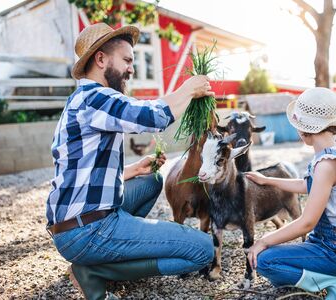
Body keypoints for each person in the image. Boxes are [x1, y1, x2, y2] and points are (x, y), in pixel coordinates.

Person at [45, 23, 214, 300]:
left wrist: (133, 169)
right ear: (101, 59)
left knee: (151, 180)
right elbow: (152, 116)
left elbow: (80, 173)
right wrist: (188, 89)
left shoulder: (80, 100)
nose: (132, 69)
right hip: (88, 230)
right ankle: (96, 272)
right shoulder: (94, 98)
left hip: (75, 223)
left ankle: (112, 255)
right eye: (127, 60)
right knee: (203, 250)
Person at [246, 87, 336, 300]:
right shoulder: (333, 151)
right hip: (334, 243)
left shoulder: (326, 165)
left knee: (265, 262)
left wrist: (265, 240)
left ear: (304, 129)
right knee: (279, 275)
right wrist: (266, 179)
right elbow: (307, 185)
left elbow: (307, 222)